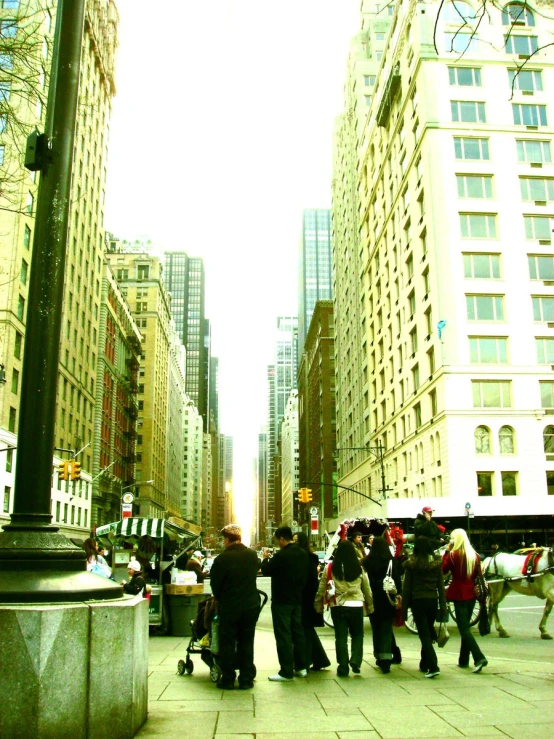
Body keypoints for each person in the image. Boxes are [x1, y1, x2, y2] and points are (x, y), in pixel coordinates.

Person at [210, 523, 261, 690]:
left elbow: (215, 584)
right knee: (247, 641)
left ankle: (228, 678)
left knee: (227, 642)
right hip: (250, 605)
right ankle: (246, 679)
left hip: (230, 606)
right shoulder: (252, 556)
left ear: (226, 540)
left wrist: (219, 597)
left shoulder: (221, 559)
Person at [315, 539, 373, 677]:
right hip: (356, 605)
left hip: (338, 606)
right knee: (357, 635)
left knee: (340, 637)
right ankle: (356, 660)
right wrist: (370, 606)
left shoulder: (330, 567)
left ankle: (343, 666)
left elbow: (321, 588)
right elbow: (367, 589)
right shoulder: (359, 567)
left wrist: (318, 604)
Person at [261, 526, 309, 681]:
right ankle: (302, 667)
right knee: (298, 633)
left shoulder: (281, 556)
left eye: (277, 540)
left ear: (282, 539)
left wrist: (265, 558)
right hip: (297, 599)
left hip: (282, 601)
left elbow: (267, 570)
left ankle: (286, 671)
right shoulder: (303, 554)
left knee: (283, 635)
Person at [442, 528, 488, 673]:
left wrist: (447, 551)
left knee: (463, 629)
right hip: (471, 594)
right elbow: (478, 575)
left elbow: (443, 570)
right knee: (465, 626)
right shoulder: (474, 555)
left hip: (458, 593)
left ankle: (479, 657)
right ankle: (463, 659)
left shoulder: (453, 555)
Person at [402, 536, 447, 679]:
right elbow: (441, 586)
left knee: (424, 635)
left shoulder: (412, 564)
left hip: (418, 601)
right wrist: (443, 605)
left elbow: (407, 588)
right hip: (432, 600)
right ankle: (424, 663)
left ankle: (433, 665)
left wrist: (404, 610)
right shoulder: (436, 563)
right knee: (428, 630)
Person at [363, 536, 402, 673]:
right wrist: (399, 595)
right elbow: (397, 580)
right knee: (386, 628)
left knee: (376, 629)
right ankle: (387, 658)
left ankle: (379, 655)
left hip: (372, 598)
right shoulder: (391, 561)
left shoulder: (367, 561)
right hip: (388, 598)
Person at [294, 532, 331, 671]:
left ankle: (311, 659)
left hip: (306, 597)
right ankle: (318, 659)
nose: (295, 542)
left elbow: (309, 580)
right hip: (305, 597)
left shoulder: (309, 557)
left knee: (305, 629)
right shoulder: (307, 557)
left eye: (297, 540)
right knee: (306, 629)